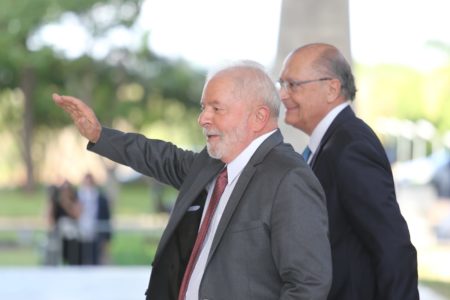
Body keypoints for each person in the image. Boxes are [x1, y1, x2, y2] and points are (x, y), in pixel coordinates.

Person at [52, 60, 332, 299]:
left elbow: (308, 285)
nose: (202, 119)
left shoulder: (288, 178)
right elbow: (159, 156)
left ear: (258, 117)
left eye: (216, 109)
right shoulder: (211, 164)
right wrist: (100, 135)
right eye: (203, 107)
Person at [278, 43, 419, 300]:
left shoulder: (351, 147)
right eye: (282, 85)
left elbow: (393, 246)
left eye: (293, 85)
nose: (283, 95)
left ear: (332, 88)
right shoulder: (332, 143)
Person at [77, 172, 112, 265]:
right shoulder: (78, 196)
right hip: (80, 234)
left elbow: (106, 217)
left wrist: (106, 238)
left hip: (96, 234)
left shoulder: (101, 198)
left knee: (95, 261)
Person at [47, 180, 82, 265]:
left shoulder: (74, 201)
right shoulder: (56, 202)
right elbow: (49, 219)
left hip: (72, 237)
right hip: (59, 235)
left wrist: (66, 203)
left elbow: (77, 215)